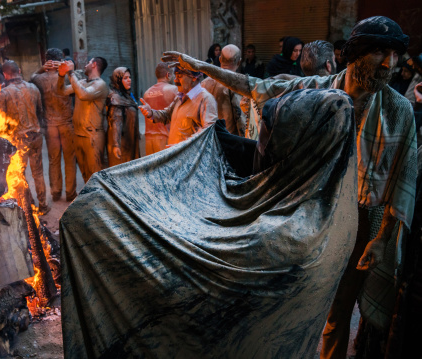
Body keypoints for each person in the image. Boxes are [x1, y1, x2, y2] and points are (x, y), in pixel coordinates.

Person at [161, 15, 417, 359]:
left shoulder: (399, 110)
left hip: (365, 224)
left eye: (395, 55)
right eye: (380, 53)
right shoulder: (318, 92)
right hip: (317, 216)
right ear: (356, 53)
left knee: (352, 313)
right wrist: (200, 67)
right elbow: (254, 86)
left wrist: (384, 237)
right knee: (315, 307)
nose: (390, 63)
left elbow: (403, 178)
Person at [60, 88, 358, 358]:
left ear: (296, 147)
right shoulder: (332, 200)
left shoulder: (287, 235)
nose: (260, 148)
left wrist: (110, 225)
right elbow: (258, 159)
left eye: (270, 138)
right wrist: (221, 142)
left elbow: (190, 288)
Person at [0, 60, 50, 215]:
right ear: (19, 70)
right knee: (38, 172)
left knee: (20, 173)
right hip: (36, 135)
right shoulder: (34, 88)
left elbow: (0, 120)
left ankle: (29, 205)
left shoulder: (4, 93)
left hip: (18, 140)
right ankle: (44, 205)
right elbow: (40, 111)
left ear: (5, 75)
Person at [31, 48, 77, 202]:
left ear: (46, 60)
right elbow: (80, 82)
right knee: (70, 159)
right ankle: (70, 192)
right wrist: (68, 69)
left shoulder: (39, 79)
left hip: (50, 125)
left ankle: (56, 191)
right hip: (66, 123)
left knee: (53, 159)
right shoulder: (65, 77)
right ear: (61, 59)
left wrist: (41, 68)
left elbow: (31, 78)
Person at [57, 57, 109, 183]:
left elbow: (83, 94)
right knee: (85, 175)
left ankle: (98, 201)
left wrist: (70, 73)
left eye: (88, 63)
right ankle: (90, 200)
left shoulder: (100, 84)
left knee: (95, 175)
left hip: (93, 135)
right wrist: (61, 75)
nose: (85, 65)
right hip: (78, 135)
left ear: (94, 64)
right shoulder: (82, 82)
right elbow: (62, 91)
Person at [139, 67, 218, 146]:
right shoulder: (180, 97)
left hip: (190, 156)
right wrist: (151, 113)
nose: (175, 80)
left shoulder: (206, 99)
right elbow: (167, 114)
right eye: (175, 76)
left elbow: (208, 133)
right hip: (176, 154)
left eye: (179, 76)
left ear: (194, 77)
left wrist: (180, 147)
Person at [202, 44, 246, 136]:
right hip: (228, 140)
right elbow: (240, 117)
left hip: (207, 138)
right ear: (239, 62)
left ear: (220, 59)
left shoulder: (204, 83)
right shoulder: (236, 84)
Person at [142, 62, 178, 155]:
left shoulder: (147, 93)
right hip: (165, 139)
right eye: (173, 74)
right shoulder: (173, 90)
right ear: (168, 75)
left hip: (149, 140)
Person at [107, 67, 139, 166]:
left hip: (131, 139)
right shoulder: (116, 97)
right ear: (118, 80)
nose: (129, 80)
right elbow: (116, 121)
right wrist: (116, 144)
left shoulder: (127, 95)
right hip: (123, 143)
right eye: (125, 78)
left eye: (129, 77)